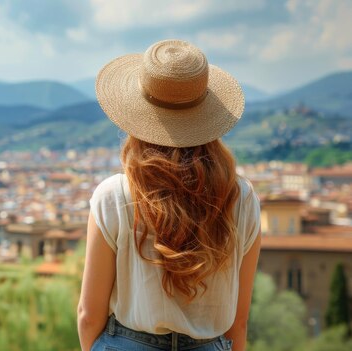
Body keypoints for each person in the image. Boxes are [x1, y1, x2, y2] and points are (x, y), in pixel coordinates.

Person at [77, 39, 261, 351]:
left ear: (137, 113)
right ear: (207, 116)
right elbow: (238, 323)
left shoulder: (114, 195)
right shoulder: (241, 198)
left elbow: (88, 315)